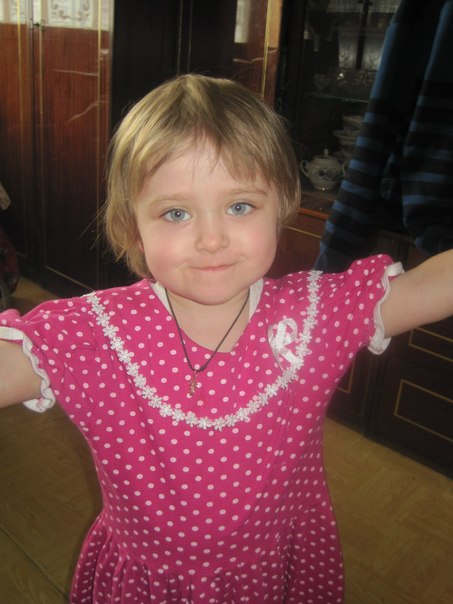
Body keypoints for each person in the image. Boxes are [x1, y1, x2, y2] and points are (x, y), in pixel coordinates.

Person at [0, 74, 452, 604]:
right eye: (176, 213)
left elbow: (427, 287)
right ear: (133, 227)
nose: (211, 239)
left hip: (276, 572)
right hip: (149, 586)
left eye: (239, 206)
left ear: (281, 205)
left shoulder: (316, 315)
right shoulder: (94, 337)